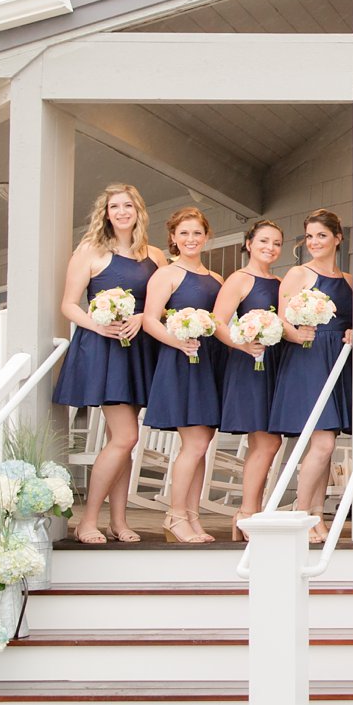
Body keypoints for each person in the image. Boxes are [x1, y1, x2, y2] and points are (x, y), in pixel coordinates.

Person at [53, 183, 167, 544]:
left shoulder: (156, 256)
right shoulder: (90, 250)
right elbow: (69, 304)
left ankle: (119, 521)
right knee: (126, 436)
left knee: (125, 440)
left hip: (139, 347)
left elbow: (162, 301)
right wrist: (98, 325)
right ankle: (88, 520)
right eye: (114, 206)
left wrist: (144, 317)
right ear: (106, 213)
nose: (121, 212)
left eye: (127, 205)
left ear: (138, 211)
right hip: (104, 349)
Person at [266, 209, 353, 544]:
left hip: (337, 359)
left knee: (326, 442)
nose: (315, 242)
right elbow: (282, 320)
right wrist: (295, 333)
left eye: (322, 235)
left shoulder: (349, 280)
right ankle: (302, 515)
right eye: (310, 236)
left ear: (337, 238)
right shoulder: (298, 274)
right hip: (308, 358)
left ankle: (317, 514)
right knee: (322, 441)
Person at [141, 208, 224, 544]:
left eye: (197, 233)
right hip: (180, 361)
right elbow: (149, 319)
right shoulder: (166, 274)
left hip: (210, 363)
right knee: (194, 442)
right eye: (184, 233)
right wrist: (178, 341)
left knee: (202, 445)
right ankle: (175, 515)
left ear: (206, 236)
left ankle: (192, 515)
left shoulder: (217, 279)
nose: (191, 239)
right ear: (173, 238)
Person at [213, 220, 286, 542]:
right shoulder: (239, 279)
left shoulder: (281, 282)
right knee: (268, 440)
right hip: (248, 364)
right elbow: (217, 322)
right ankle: (247, 512)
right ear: (249, 243)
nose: (270, 248)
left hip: (276, 364)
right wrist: (242, 343)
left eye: (276, 243)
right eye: (263, 241)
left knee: (264, 441)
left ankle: (250, 512)